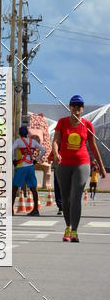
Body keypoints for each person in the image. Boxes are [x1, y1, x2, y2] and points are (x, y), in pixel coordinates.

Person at [52, 94, 106, 242]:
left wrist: (101, 167)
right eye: (74, 105)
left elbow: (94, 147)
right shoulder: (62, 122)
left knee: (76, 196)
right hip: (63, 164)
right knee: (66, 198)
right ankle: (68, 227)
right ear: (69, 107)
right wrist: (56, 153)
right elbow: (56, 140)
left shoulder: (87, 125)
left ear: (82, 109)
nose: (77, 108)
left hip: (82, 164)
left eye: (79, 106)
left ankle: (74, 231)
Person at [12, 125, 46, 216]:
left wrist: (13, 160)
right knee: (33, 188)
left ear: (19, 133)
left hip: (21, 167)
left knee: (14, 188)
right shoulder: (33, 142)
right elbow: (43, 150)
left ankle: (10, 210)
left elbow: (11, 150)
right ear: (27, 134)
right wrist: (36, 160)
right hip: (30, 167)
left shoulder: (18, 141)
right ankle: (35, 210)